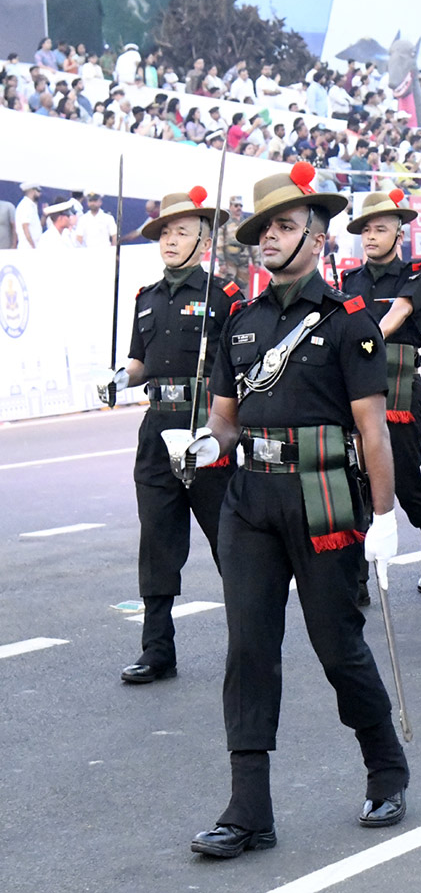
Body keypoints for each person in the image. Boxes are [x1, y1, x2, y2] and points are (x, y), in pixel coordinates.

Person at [184, 164, 409, 857]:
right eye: (262, 230)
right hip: (249, 502)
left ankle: (385, 766)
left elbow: (371, 429)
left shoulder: (348, 322)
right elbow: (225, 421)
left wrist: (384, 515)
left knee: (336, 649)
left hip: (325, 499)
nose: (270, 239)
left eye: (284, 226)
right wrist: (200, 441)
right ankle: (248, 810)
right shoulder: (242, 325)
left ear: (316, 237)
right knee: (248, 653)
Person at [96, 188, 240, 684]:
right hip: (157, 430)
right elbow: (141, 362)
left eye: (182, 232)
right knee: (157, 544)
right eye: (164, 233)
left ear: (204, 240)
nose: (170, 240)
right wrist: (121, 377)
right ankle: (158, 650)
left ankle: (249, 641)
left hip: (205, 430)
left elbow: (238, 365)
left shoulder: (223, 296)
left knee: (230, 542)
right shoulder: (146, 299)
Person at [343, 190, 421, 596]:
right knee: (355, 481)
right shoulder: (349, 280)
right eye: (366, 230)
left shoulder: (418, 277)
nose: (371, 237)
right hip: (354, 388)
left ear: (400, 234)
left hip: (396, 389)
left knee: (405, 481)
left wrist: (361, 340)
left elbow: (398, 315)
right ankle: (357, 578)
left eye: (381, 229)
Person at [219, 195, 257, 291]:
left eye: (240, 206)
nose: (239, 208)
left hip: (243, 261)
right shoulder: (225, 222)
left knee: (242, 288)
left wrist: (256, 261)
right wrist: (221, 262)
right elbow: (219, 243)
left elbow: (253, 243)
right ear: (231, 206)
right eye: (236, 206)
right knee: (227, 287)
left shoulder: (246, 222)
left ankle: (241, 305)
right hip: (229, 261)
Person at [16, 182, 41, 249]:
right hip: (27, 247)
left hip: (32, 246)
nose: (40, 194)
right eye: (38, 191)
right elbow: (25, 227)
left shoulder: (31, 205)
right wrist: (33, 246)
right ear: (33, 191)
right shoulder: (26, 205)